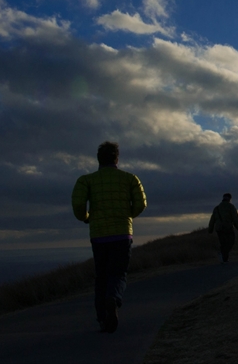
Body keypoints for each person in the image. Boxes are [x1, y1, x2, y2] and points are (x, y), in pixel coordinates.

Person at [72, 141, 147, 333]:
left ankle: (102, 319)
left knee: (101, 276)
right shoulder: (130, 179)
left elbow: (79, 206)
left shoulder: (86, 180)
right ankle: (113, 298)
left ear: (98, 159)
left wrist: (87, 218)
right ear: (117, 159)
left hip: (99, 236)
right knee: (119, 273)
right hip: (122, 234)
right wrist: (127, 215)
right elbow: (141, 204)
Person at [208, 193, 238, 263]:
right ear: (230, 199)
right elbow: (235, 218)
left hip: (219, 228)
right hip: (228, 227)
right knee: (231, 242)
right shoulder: (231, 207)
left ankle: (224, 259)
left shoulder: (216, 208)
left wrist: (210, 229)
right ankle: (223, 256)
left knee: (223, 243)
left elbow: (212, 220)